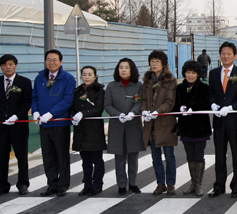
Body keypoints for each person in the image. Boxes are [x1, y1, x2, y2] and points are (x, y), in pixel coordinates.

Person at [0, 54, 32, 197]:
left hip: (19, 125)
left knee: (21, 156)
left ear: (15, 65)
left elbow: (26, 102)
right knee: (2, 156)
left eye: (10, 64)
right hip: (1, 125)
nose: (7, 67)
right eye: (4, 65)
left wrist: (16, 116)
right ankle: (2, 185)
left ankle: (23, 184)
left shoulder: (24, 82)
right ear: (1, 67)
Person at [208, 42, 237, 198]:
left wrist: (232, 107)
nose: (225, 56)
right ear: (220, 55)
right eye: (223, 53)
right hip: (219, 121)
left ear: (234, 55)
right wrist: (212, 104)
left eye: (229, 53)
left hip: (235, 120)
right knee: (219, 154)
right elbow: (211, 92)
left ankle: (236, 186)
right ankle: (219, 186)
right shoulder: (213, 73)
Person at [31, 49, 77, 197]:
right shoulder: (39, 78)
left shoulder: (68, 79)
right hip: (44, 125)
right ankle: (52, 184)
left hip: (59, 124)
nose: (51, 62)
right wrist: (36, 112)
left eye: (55, 60)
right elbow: (35, 97)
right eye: (49, 60)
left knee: (61, 155)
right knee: (48, 156)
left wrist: (52, 113)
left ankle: (63, 185)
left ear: (61, 62)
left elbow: (68, 100)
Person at [104, 58, 144, 195]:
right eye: (121, 67)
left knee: (133, 156)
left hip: (133, 124)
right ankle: (121, 184)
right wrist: (117, 114)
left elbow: (139, 102)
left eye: (126, 67)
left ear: (132, 70)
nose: (124, 70)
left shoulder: (138, 85)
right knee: (119, 157)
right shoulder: (111, 86)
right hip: (117, 125)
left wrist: (133, 112)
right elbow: (107, 104)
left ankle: (133, 183)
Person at [141, 50, 179, 196]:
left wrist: (157, 111)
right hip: (151, 124)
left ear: (163, 63)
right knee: (155, 156)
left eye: (157, 61)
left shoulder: (170, 80)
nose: (154, 64)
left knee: (169, 156)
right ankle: (160, 183)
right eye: (152, 61)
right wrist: (145, 111)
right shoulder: (146, 81)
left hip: (165, 122)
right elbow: (144, 100)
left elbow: (170, 101)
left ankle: (170, 184)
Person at [174, 60, 212, 196]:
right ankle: (193, 183)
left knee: (199, 156)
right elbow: (175, 105)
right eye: (188, 72)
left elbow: (207, 104)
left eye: (193, 73)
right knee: (190, 156)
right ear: (184, 73)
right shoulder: (179, 88)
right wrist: (180, 107)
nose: (190, 75)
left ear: (198, 74)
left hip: (200, 127)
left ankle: (198, 184)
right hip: (185, 127)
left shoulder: (204, 88)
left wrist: (193, 108)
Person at [70, 65, 107, 196]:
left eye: (89, 74)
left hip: (94, 130)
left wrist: (83, 113)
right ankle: (87, 184)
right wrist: (73, 116)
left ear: (95, 76)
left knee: (97, 159)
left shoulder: (99, 91)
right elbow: (72, 106)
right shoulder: (78, 91)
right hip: (81, 130)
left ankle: (97, 184)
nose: (86, 77)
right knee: (85, 160)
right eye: (84, 74)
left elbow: (98, 109)